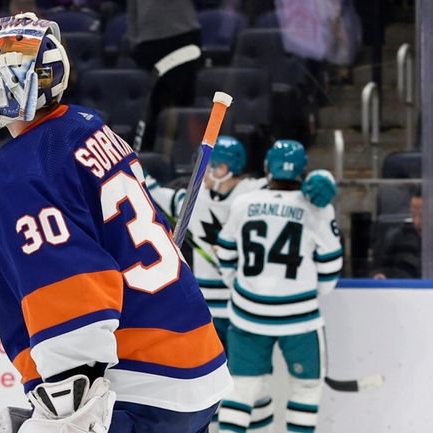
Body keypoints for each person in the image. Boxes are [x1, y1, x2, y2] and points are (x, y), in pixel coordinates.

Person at [0, 13, 232, 433]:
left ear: (15, 81)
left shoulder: (21, 172)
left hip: (134, 383)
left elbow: (70, 288)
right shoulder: (86, 127)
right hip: (193, 363)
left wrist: (68, 407)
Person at [144, 137, 337, 433]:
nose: (208, 173)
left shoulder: (251, 194)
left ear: (235, 169)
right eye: (206, 166)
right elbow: (153, 192)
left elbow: (294, 189)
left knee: (250, 390)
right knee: (220, 389)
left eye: (217, 167)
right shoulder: (192, 197)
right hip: (206, 311)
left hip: (240, 310)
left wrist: (321, 179)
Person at [214, 140, 343, 433]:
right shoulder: (317, 208)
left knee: (241, 390)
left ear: (267, 168)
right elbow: (331, 266)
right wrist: (310, 292)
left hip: (248, 314)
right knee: (306, 389)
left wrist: (243, 287)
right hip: (300, 318)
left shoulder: (244, 203)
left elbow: (226, 254)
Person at [126, 0, 202, 151]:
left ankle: (185, 157)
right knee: (155, 108)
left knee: (180, 108)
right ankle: (155, 159)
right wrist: (133, 39)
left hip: (182, 34)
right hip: (148, 41)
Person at [372, 188, 422, 279]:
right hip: (402, 291)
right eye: (413, 215)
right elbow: (382, 268)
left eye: (422, 216)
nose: (417, 222)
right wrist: (381, 274)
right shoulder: (399, 237)